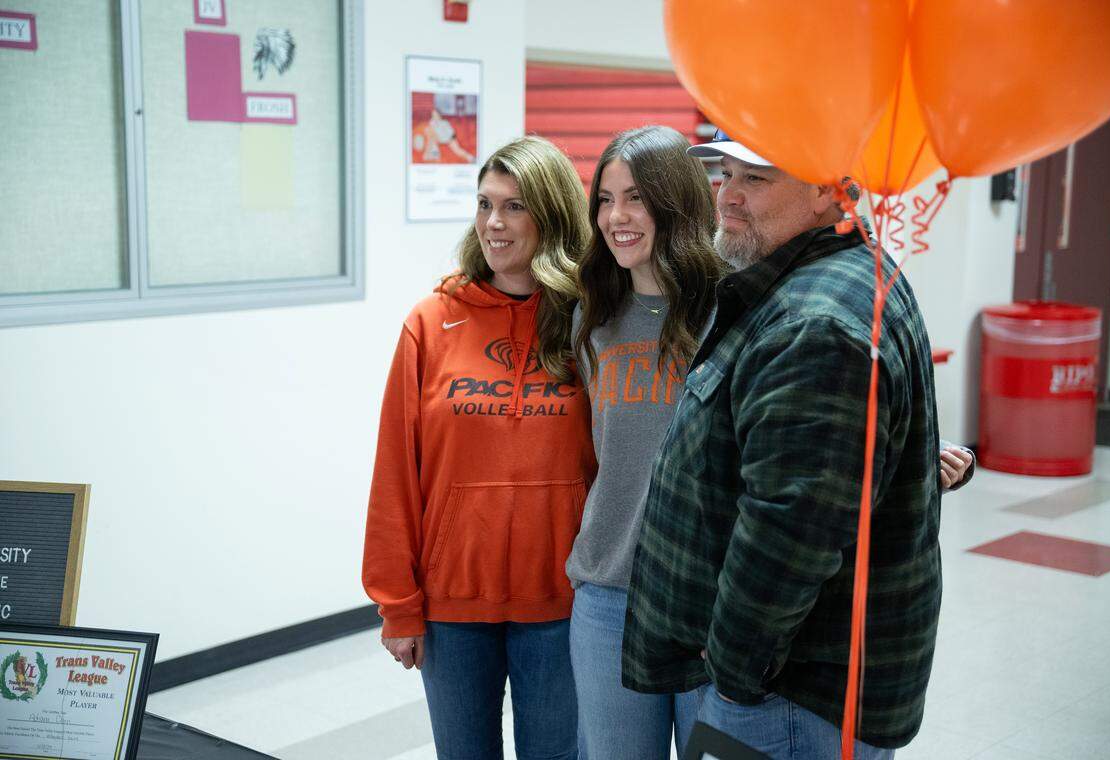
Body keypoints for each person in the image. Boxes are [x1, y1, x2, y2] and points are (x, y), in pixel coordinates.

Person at [570, 128, 973, 759]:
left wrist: (732, 670)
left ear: (829, 190)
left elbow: (790, 530)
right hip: (795, 676)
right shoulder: (827, 286)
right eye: (726, 175)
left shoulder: (812, 322)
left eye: (754, 179)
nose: (727, 197)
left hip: (790, 690)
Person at [362, 136, 595, 760]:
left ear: (552, 214)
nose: (494, 223)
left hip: (562, 601)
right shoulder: (432, 321)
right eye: (485, 203)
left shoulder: (591, 322)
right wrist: (397, 606)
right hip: (452, 606)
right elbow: (395, 474)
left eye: (515, 206)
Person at [567, 126, 724, 759]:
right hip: (608, 592)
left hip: (706, 600)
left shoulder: (729, 309)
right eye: (604, 199)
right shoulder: (593, 316)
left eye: (635, 197)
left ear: (676, 202)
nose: (617, 217)